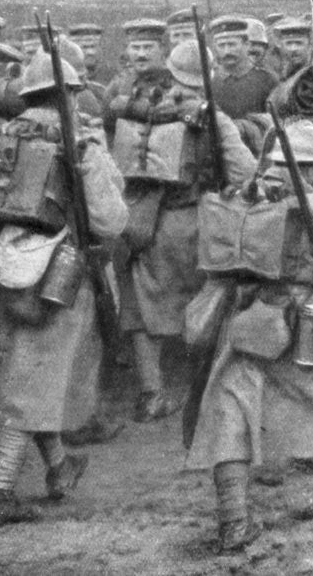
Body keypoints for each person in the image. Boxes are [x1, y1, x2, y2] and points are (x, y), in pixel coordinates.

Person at [186, 119, 313, 551]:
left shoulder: (238, 198)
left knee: (231, 412)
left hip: (243, 318)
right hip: (306, 320)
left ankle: (234, 520)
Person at [0, 53, 128, 526]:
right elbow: (110, 221)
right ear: (69, 92)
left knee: (30, 370)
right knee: (32, 380)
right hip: (62, 273)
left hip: (9, 261)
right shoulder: (81, 142)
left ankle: (60, 467)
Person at [107, 40, 256, 422]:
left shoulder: (140, 107)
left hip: (141, 219)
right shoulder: (213, 118)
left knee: (143, 305)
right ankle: (205, 387)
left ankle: (151, 393)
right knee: (204, 301)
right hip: (196, 219)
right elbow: (244, 173)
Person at [209, 16, 279, 119]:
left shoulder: (267, 80)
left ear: (246, 45)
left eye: (232, 45)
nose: (227, 51)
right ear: (215, 47)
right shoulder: (210, 81)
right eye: (221, 45)